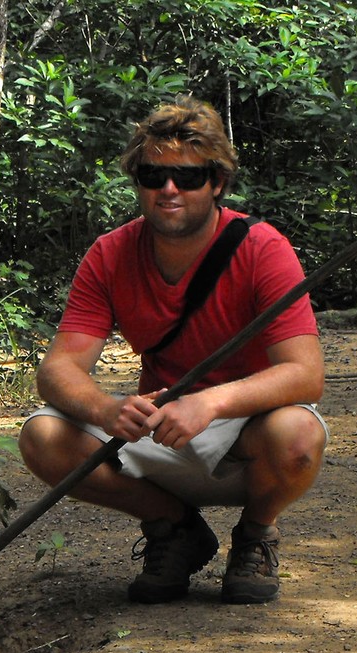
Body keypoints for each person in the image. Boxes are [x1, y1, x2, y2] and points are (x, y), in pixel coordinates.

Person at [18, 96, 327, 605]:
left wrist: (211, 402)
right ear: (137, 180)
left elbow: (304, 374)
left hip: (245, 434)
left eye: (187, 177)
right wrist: (107, 408)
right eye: (153, 175)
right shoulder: (110, 253)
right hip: (162, 431)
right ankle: (174, 527)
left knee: (298, 432)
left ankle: (256, 534)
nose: (168, 190)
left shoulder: (262, 247)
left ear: (217, 182)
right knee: (43, 435)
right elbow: (60, 367)